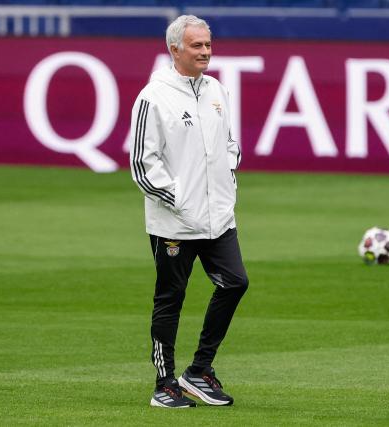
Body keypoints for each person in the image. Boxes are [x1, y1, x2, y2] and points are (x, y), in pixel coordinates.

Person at [129, 15, 248, 409]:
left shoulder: (217, 90)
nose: (206, 53)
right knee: (170, 299)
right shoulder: (153, 96)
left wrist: (227, 181)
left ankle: (199, 371)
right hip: (174, 223)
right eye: (197, 46)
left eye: (208, 45)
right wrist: (179, 199)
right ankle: (164, 384)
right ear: (174, 49)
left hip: (218, 219)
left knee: (235, 283)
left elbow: (230, 143)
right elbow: (142, 166)